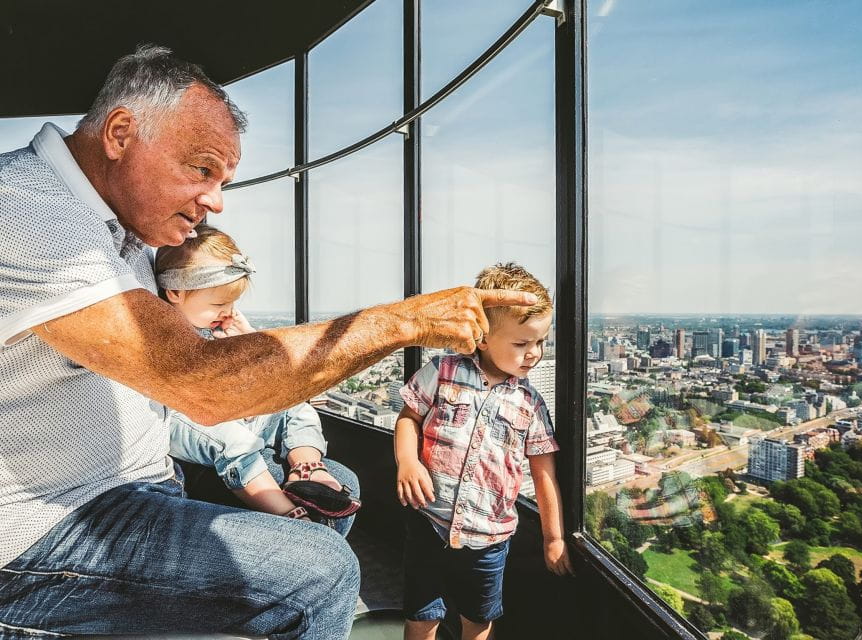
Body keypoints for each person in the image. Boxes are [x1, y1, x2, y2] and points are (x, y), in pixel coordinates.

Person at [0, 45, 535, 639]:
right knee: (321, 572)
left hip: (130, 487)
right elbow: (201, 382)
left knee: (339, 491)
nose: (216, 201)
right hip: (44, 531)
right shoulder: (29, 215)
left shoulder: (106, 225)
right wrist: (405, 322)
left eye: (223, 179)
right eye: (201, 168)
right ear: (121, 134)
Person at [395, 263, 574, 640]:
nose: (534, 354)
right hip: (429, 522)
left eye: (541, 342)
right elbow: (408, 417)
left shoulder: (531, 404)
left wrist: (553, 538)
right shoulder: (442, 370)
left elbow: (545, 475)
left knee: (477, 622)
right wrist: (408, 461)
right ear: (482, 337)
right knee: (421, 615)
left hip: (488, 540)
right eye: (522, 343)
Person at [156, 223, 361, 530]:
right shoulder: (164, 333)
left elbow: (260, 380)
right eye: (218, 304)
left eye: (232, 303)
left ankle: (306, 466)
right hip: (184, 419)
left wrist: (246, 340)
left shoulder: (215, 328)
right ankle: (285, 514)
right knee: (232, 440)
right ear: (175, 292)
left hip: (225, 412)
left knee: (295, 406)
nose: (227, 311)